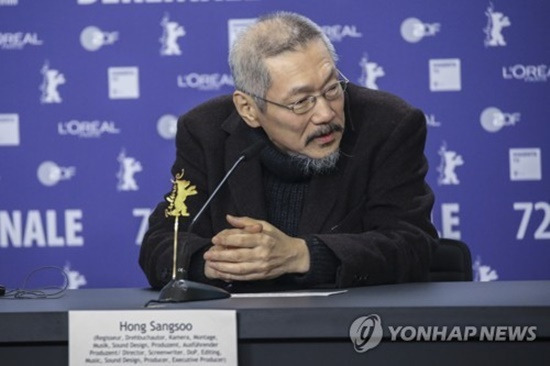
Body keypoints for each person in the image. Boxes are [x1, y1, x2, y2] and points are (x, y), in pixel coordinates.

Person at [139, 11, 438, 292]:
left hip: (349, 330)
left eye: (332, 88)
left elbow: (413, 245)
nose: (325, 113)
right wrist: (217, 263)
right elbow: (162, 242)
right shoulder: (205, 132)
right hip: (244, 329)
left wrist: (301, 254)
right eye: (301, 101)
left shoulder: (388, 125)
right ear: (249, 109)